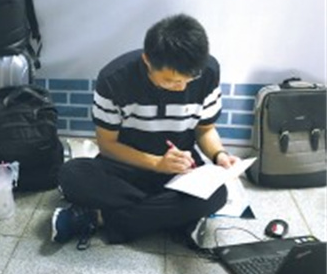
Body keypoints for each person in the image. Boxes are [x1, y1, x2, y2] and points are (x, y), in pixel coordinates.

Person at [51, 14, 239, 250]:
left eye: (189, 80)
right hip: (127, 168)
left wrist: (219, 155)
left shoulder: (208, 72)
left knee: (217, 194)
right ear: (147, 61)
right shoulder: (114, 79)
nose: (181, 87)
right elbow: (108, 145)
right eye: (171, 80)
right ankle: (175, 218)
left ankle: (99, 218)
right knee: (71, 174)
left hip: (180, 170)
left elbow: (205, 130)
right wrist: (157, 163)